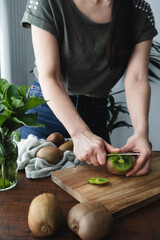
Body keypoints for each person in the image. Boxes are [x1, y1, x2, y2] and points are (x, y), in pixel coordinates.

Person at [21, 0, 158, 176]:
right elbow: (50, 76)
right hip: (45, 109)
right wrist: (79, 132)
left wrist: (141, 132)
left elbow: (137, 79)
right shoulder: (46, 2)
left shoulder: (139, 10)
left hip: (95, 112)